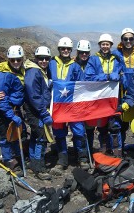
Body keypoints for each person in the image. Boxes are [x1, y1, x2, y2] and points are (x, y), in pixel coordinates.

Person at [49, 37, 89, 170]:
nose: (65, 51)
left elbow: (82, 85)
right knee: (59, 132)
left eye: (68, 49)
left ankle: (82, 158)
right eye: (63, 48)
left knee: (78, 131)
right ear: (59, 49)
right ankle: (62, 160)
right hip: (57, 105)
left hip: (72, 105)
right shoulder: (51, 63)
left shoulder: (75, 66)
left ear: (71, 50)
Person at [84, 33, 123, 157]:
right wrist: (106, 77)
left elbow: (122, 74)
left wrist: (120, 78)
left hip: (113, 98)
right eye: (103, 44)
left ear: (111, 45)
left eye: (107, 44)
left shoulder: (116, 59)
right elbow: (88, 77)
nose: (105, 46)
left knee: (114, 126)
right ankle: (104, 151)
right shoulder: (93, 59)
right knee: (101, 127)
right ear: (100, 45)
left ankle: (117, 153)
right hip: (98, 99)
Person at [0, 45, 25, 170]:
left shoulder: (18, 71)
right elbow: (1, 99)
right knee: (6, 136)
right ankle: (9, 161)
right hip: (6, 110)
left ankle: (17, 158)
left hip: (15, 108)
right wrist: (11, 115)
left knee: (15, 135)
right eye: (12, 60)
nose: (16, 62)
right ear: (8, 60)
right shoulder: (4, 75)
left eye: (18, 59)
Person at [112, 28, 134, 151]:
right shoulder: (116, 54)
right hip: (121, 93)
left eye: (131, 39)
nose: (128, 41)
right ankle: (119, 151)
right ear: (122, 40)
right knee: (121, 124)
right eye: (125, 39)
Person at [23, 46, 53, 180]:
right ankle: (39, 167)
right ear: (36, 59)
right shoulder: (34, 72)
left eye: (47, 58)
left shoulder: (40, 71)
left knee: (36, 136)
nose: (44, 61)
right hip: (36, 110)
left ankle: (33, 163)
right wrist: (44, 113)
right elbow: (34, 95)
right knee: (41, 137)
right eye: (41, 58)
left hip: (37, 109)